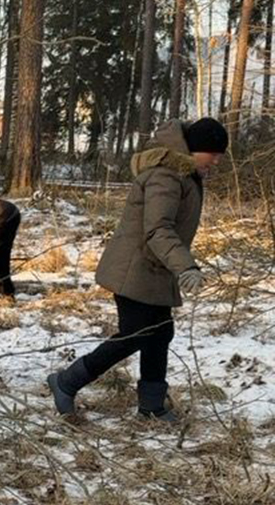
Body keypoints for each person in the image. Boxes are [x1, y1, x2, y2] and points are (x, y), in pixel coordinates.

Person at [47, 117, 229, 422]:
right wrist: (185, 265)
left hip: (152, 272)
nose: (217, 160)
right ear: (197, 149)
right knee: (135, 335)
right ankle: (66, 382)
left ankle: (152, 407)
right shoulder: (166, 176)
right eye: (214, 153)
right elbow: (157, 229)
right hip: (135, 271)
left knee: (159, 333)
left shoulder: (184, 175)